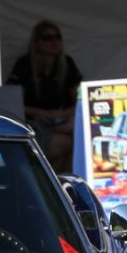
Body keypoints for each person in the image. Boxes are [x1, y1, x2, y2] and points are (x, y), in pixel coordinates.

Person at [7, 21, 83, 173]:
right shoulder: (24, 65)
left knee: (77, 130)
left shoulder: (66, 63)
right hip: (34, 123)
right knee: (70, 144)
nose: (54, 42)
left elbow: (80, 99)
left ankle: (53, 184)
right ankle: (58, 184)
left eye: (57, 37)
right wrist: (44, 113)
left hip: (61, 121)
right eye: (47, 38)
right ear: (36, 43)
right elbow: (11, 102)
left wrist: (63, 114)